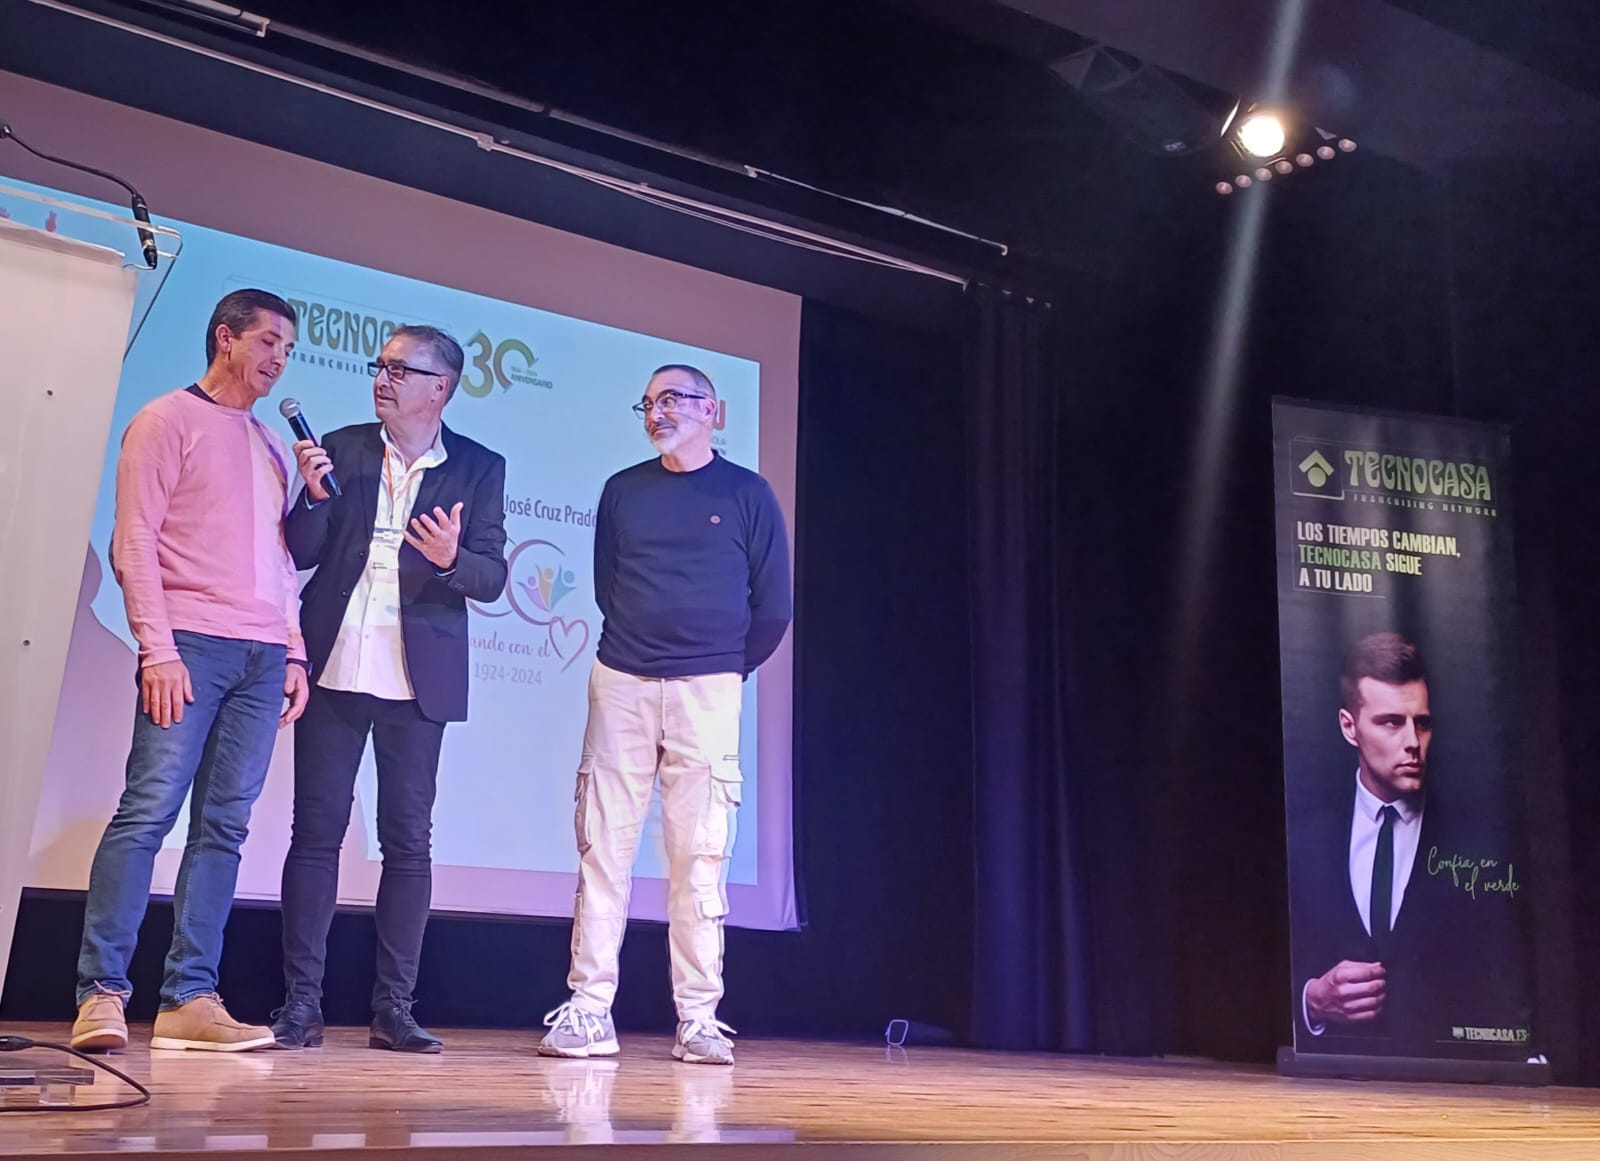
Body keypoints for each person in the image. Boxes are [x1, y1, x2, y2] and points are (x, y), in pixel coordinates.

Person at [70, 290, 310, 1053]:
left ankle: (189, 998)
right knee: (148, 812)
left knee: (224, 828)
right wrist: (158, 647)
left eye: (288, 349)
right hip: (191, 645)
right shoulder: (164, 419)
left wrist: (294, 648)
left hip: (261, 656)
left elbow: (280, 561)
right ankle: (101, 993)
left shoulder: (273, 445)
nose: (278, 358)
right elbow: (133, 540)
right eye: (268, 341)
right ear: (225, 339)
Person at [539, 364, 791, 1066]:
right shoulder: (623, 489)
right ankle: (590, 1009)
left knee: (699, 854)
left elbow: (773, 606)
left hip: (708, 689)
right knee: (602, 849)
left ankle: (699, 1018)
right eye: (648, 402)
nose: (658, 412)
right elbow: (607, 586)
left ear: (713, 410)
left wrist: (720, 666)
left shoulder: (747, 493)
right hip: (621, 679)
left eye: (673, 399)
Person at [269, 326, 507, 1054]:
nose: (384, 378)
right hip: (335, 664)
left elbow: (492, 576)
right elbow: (299, 550)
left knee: (408, 843)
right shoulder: (341, 447)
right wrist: (313, 498)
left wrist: (451, 558)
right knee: (315, 835)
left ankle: (393, 1010)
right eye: (381, 365)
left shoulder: (478, 466)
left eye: (402, 369)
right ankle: (300, 1005)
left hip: (416, 678)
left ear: (441, 387)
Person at [1290, 632, 1527, 1054]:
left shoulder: (1478, 842)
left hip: (1449, 1080)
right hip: (1328, 1084)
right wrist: (1310, 1001)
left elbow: (1507, 976)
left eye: (1422, 723)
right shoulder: (1305, 841)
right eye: (1391, 722)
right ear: (1349, 727)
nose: (1412, 743)